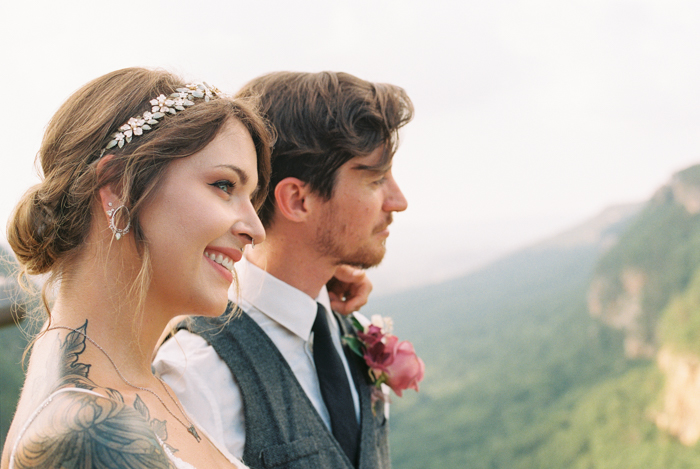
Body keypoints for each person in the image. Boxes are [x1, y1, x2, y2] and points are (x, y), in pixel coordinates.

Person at [1, 67, 273, 469]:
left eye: (250, 198)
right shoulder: (87, 434)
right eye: (224, 185)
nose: (255, 230)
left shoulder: (132, 379)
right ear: (118, 186)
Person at [154, 71, 414, 469]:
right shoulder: (198, 373)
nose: (398, 201)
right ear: (297, 199)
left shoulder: (353, 328)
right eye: (376, 179)